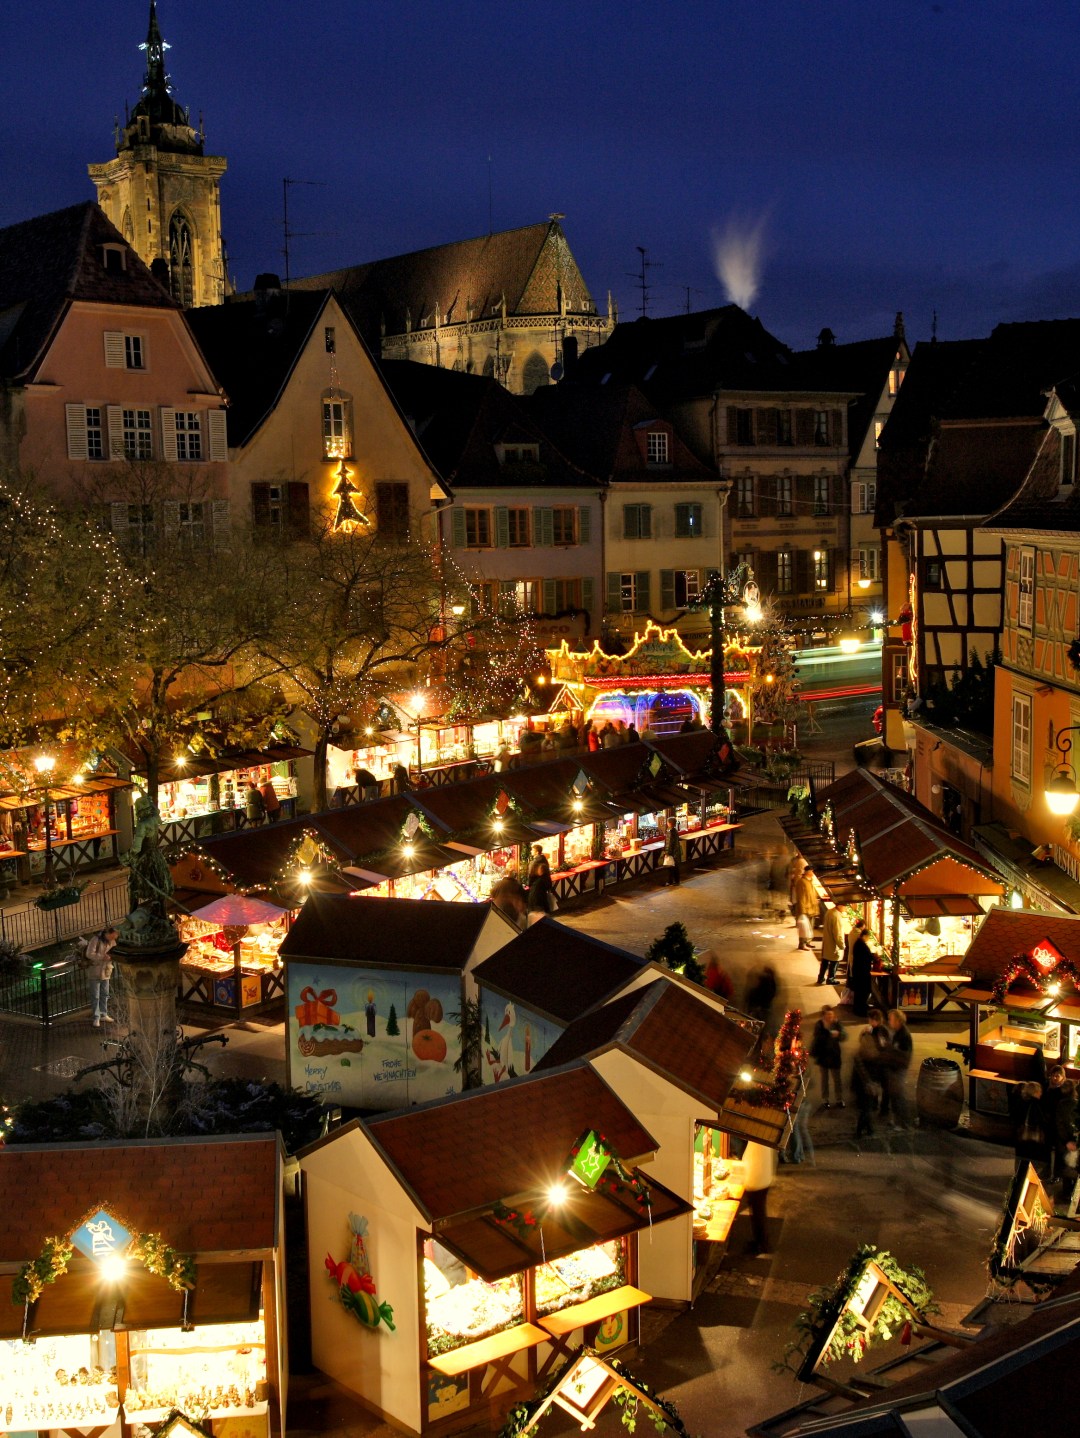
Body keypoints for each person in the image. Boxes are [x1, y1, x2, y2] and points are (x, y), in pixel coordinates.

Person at [741, 1140, 777, 1256]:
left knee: (758, 1212)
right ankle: (760, 1242)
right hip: (762, 1177)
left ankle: (761, 1244)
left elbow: (754, 1158)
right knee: (758, 1211)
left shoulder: (760, 1137)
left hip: (758, 1178)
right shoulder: (765, 1136)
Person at [881, 1008, 913, 1127]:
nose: (889, 1022)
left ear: (898, 1021)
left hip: (899, 1070)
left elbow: (904, 1055)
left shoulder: (904, 1035)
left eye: (891, 1020)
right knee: (894, 1096)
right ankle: (896, 1120)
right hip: (894, 1068)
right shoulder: (897, 1032)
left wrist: (890, 1048)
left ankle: (904, 1122)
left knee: (898, 1096)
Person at [809, 1005, 846, 1108]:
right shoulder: (819, 1025)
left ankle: (839, 1099)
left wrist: (839, 1034)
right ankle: (825, 1099)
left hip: (834, 1055)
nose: (830, 1017)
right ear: (824, 1015)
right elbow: (818, 1036)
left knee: (837, 1079)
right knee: (824, 1079)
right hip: (823, 1055)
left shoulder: (837, 1023)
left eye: (831, 1014)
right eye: (828, 1015)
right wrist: (829, 1033)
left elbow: (844, 1035)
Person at [1011, 1081, 1050, 1177]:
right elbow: (1041, 1122)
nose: (1041, 1093)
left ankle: (1017, 1179)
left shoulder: (1020, 1101)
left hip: (1020, 1138)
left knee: (1020, 1163)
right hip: (1031, 1142)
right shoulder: (1036, 1105)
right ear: (1035, 1092)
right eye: (1039, 1091)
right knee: (1031, 1165)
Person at [851, 1029, 883, 1139]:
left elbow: (855, 1075)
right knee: (867, 1109)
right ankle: (862, 1130)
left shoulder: (858, 1055)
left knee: (865, 1109)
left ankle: (868, 1129)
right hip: (869, 1086)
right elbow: (878, 1073)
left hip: (861, 1087)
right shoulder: (874, 1055)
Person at [86, 926, 118, 1029]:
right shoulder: (95, 940)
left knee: (105, 994)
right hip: (95, 970)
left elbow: (114, 951)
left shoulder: (111, 941)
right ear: (107, 934)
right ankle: (96, 1016)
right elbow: (89, 954)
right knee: (95, 995)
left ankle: (103, 1014)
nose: (113, 938)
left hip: (106, 970)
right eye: (112, 936)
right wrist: (102, 957)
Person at [1054, 1079, 1079, 1210]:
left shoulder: (1060, 1105)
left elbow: (1059, 1125)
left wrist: (1065, 1141)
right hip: (1075, 1142)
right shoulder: (1075, 1105)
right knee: (1075, 1168)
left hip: (1064, 1143)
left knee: (1066, 1167)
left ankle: (1065, 1194)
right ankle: (1074, 1197)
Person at [849, 923, 875, 1016]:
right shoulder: (861, 945)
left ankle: (860, 1007)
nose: (868, 939)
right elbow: (866, 957)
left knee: (860, 992)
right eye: (868, 937)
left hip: (859, 971)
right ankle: (860, 1010)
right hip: (861, 972)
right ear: (864, 936)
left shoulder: (859, 943)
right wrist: (873, 956)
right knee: (862, 992)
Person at [817, 904, 845, 985]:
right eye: (845, 906)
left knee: (825, 960)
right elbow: (838, 933)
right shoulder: (837, 917)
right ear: (840, 906)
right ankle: (831, 979)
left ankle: (821, 977)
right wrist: (842, 945)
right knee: (834, 961)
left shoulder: (830, 912)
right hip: (833, 943)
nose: (845, 909)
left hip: (827, 941)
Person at [793, 867, 820, 951]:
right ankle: (802, 944)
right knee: (804, 928)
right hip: (805, 909)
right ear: (808, 872)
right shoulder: (802, 882)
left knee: (810, 927)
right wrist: (802, 910)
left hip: (812, 908)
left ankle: (807, 942)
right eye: (812, 871)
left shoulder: (810, 881)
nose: (813, 873)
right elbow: (801, 897)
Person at [525, 846, 553, 924]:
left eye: (533, 850)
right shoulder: (544, 860)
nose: (531, 851)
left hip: (537, 892)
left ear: (537, 852)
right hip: (541, 890)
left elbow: (530, 875)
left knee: (538, 909)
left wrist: (529, 884)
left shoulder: (536, 862)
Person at [662, 815, 683, 886]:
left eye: (667, 822)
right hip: (676, 852)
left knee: (670, 867)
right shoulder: (675, 831)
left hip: (672, 853)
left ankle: (670, 881)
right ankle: (676, 881)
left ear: (670, 823)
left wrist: (667, 853)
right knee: (675, 867)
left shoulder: (669, 831)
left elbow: (669, 843)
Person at [787, 855, 807, 928]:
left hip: (795, 887)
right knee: (798, 905)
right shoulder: (802, 862)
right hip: (798, 888)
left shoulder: (799, 862)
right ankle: (799, 922)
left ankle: (798, 921)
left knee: (796, 904)